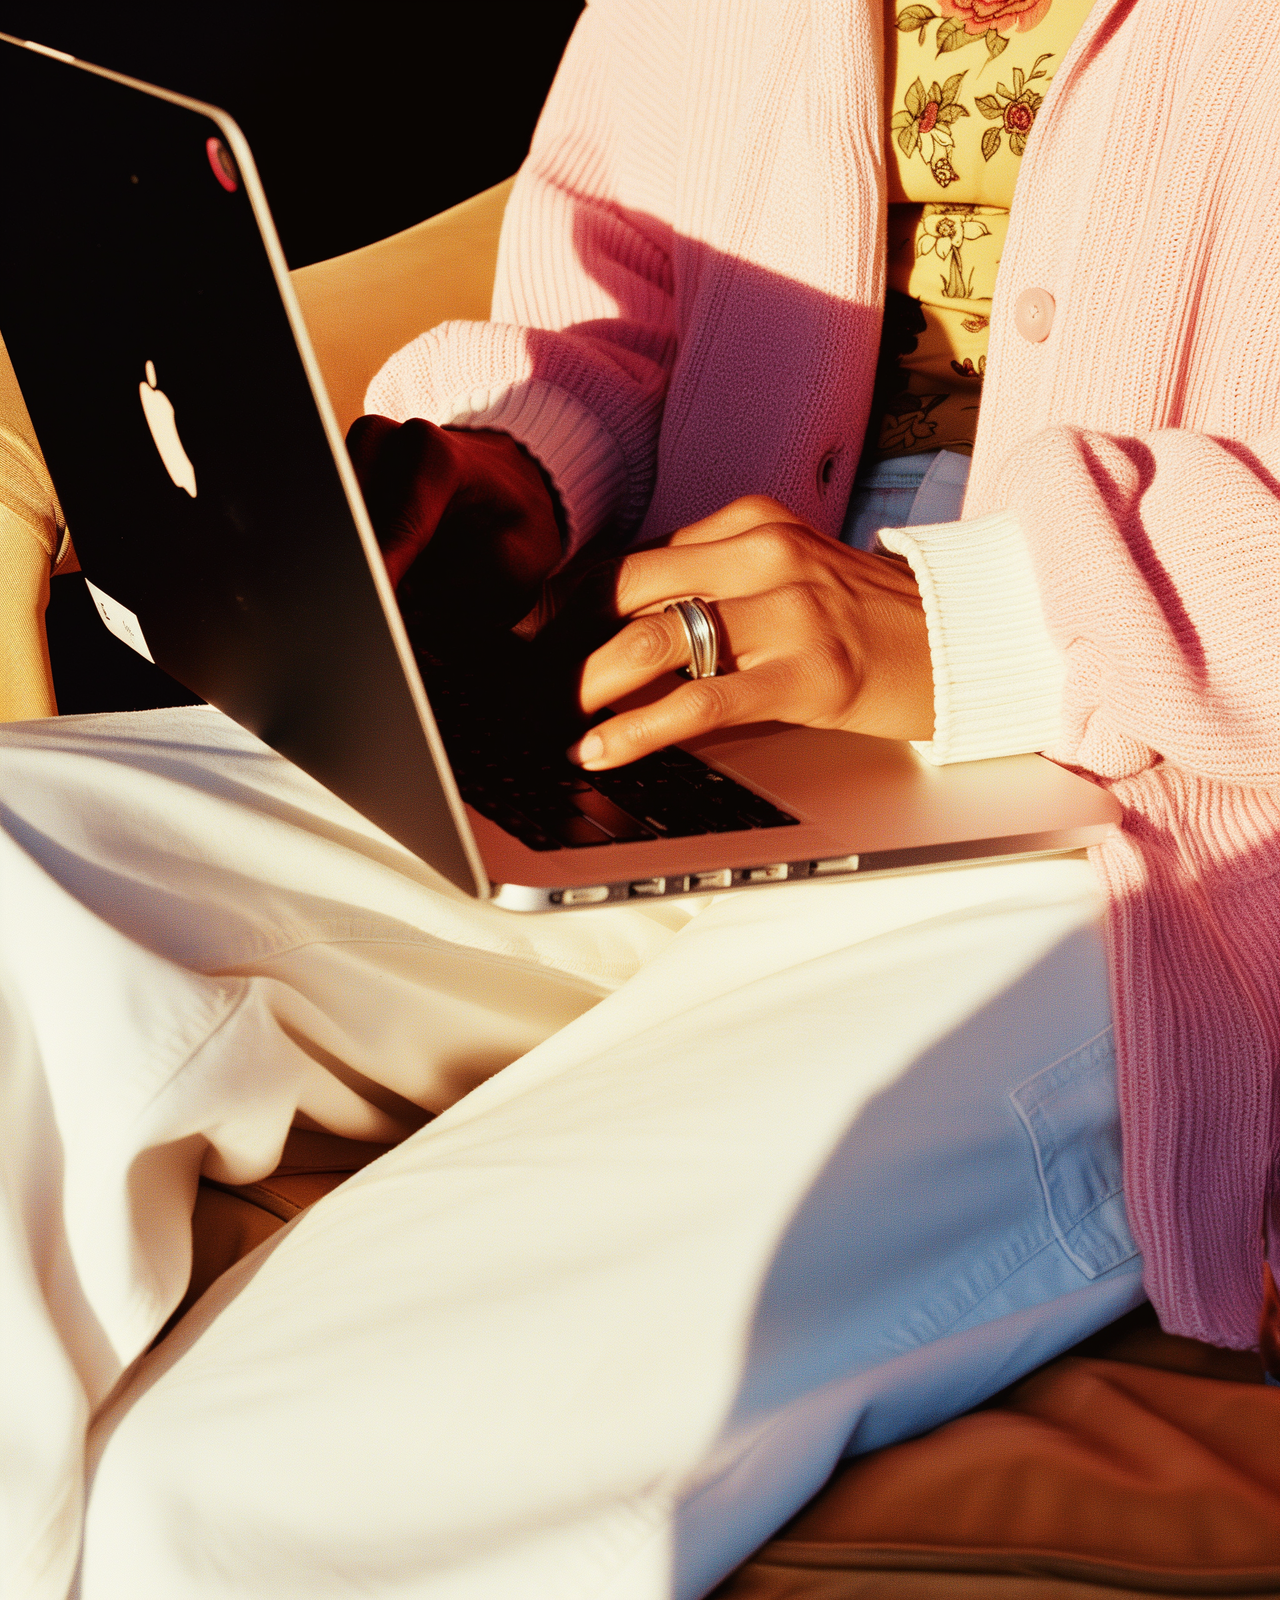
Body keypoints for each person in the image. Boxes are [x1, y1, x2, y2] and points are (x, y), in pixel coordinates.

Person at [3, 0, 1278, 1595]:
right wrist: (512, 478)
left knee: (268, 1477)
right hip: (664, 684)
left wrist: (987, 620)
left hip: (1164, 824)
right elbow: (616, 291)